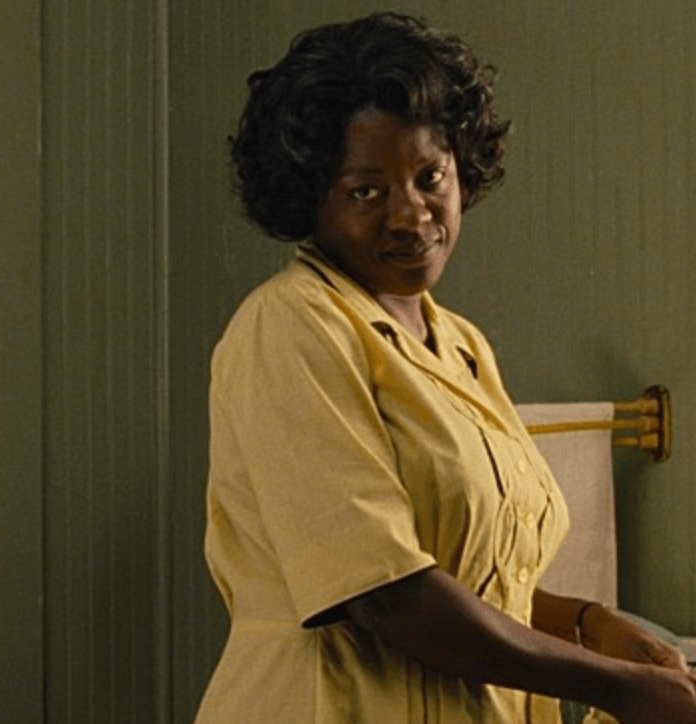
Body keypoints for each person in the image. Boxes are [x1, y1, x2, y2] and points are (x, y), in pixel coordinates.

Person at [194, 12, 696, 724]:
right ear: (309, 197)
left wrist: (590, 623)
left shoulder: (460, 344)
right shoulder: (290, 327)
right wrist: (614, 686)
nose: (412, 215)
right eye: (366, 191)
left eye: (430, 176)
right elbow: (386, 594)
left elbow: (478, 579)